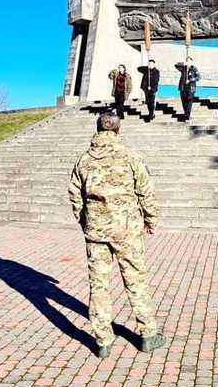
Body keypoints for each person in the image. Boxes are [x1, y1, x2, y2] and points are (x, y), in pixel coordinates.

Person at [68, 112, 166, 358]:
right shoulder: (130, 157)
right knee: (135, 280)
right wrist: (151, 220)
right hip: (127, 231)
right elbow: (146, 192)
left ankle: (102, 341)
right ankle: (147, 334)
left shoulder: (84, 160)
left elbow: (74, 195)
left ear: (98, 129)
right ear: (118, 131)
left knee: (98, 285)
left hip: (96, 233)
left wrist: (85, 221)